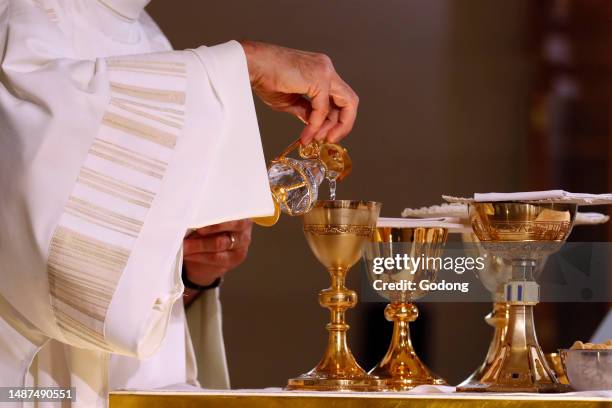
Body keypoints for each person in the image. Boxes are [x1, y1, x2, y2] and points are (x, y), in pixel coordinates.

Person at [0, 0, 359, 406]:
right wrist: (242, 63)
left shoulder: (149, 35)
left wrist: (189, 271)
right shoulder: (19, 16)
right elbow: (30, 182)